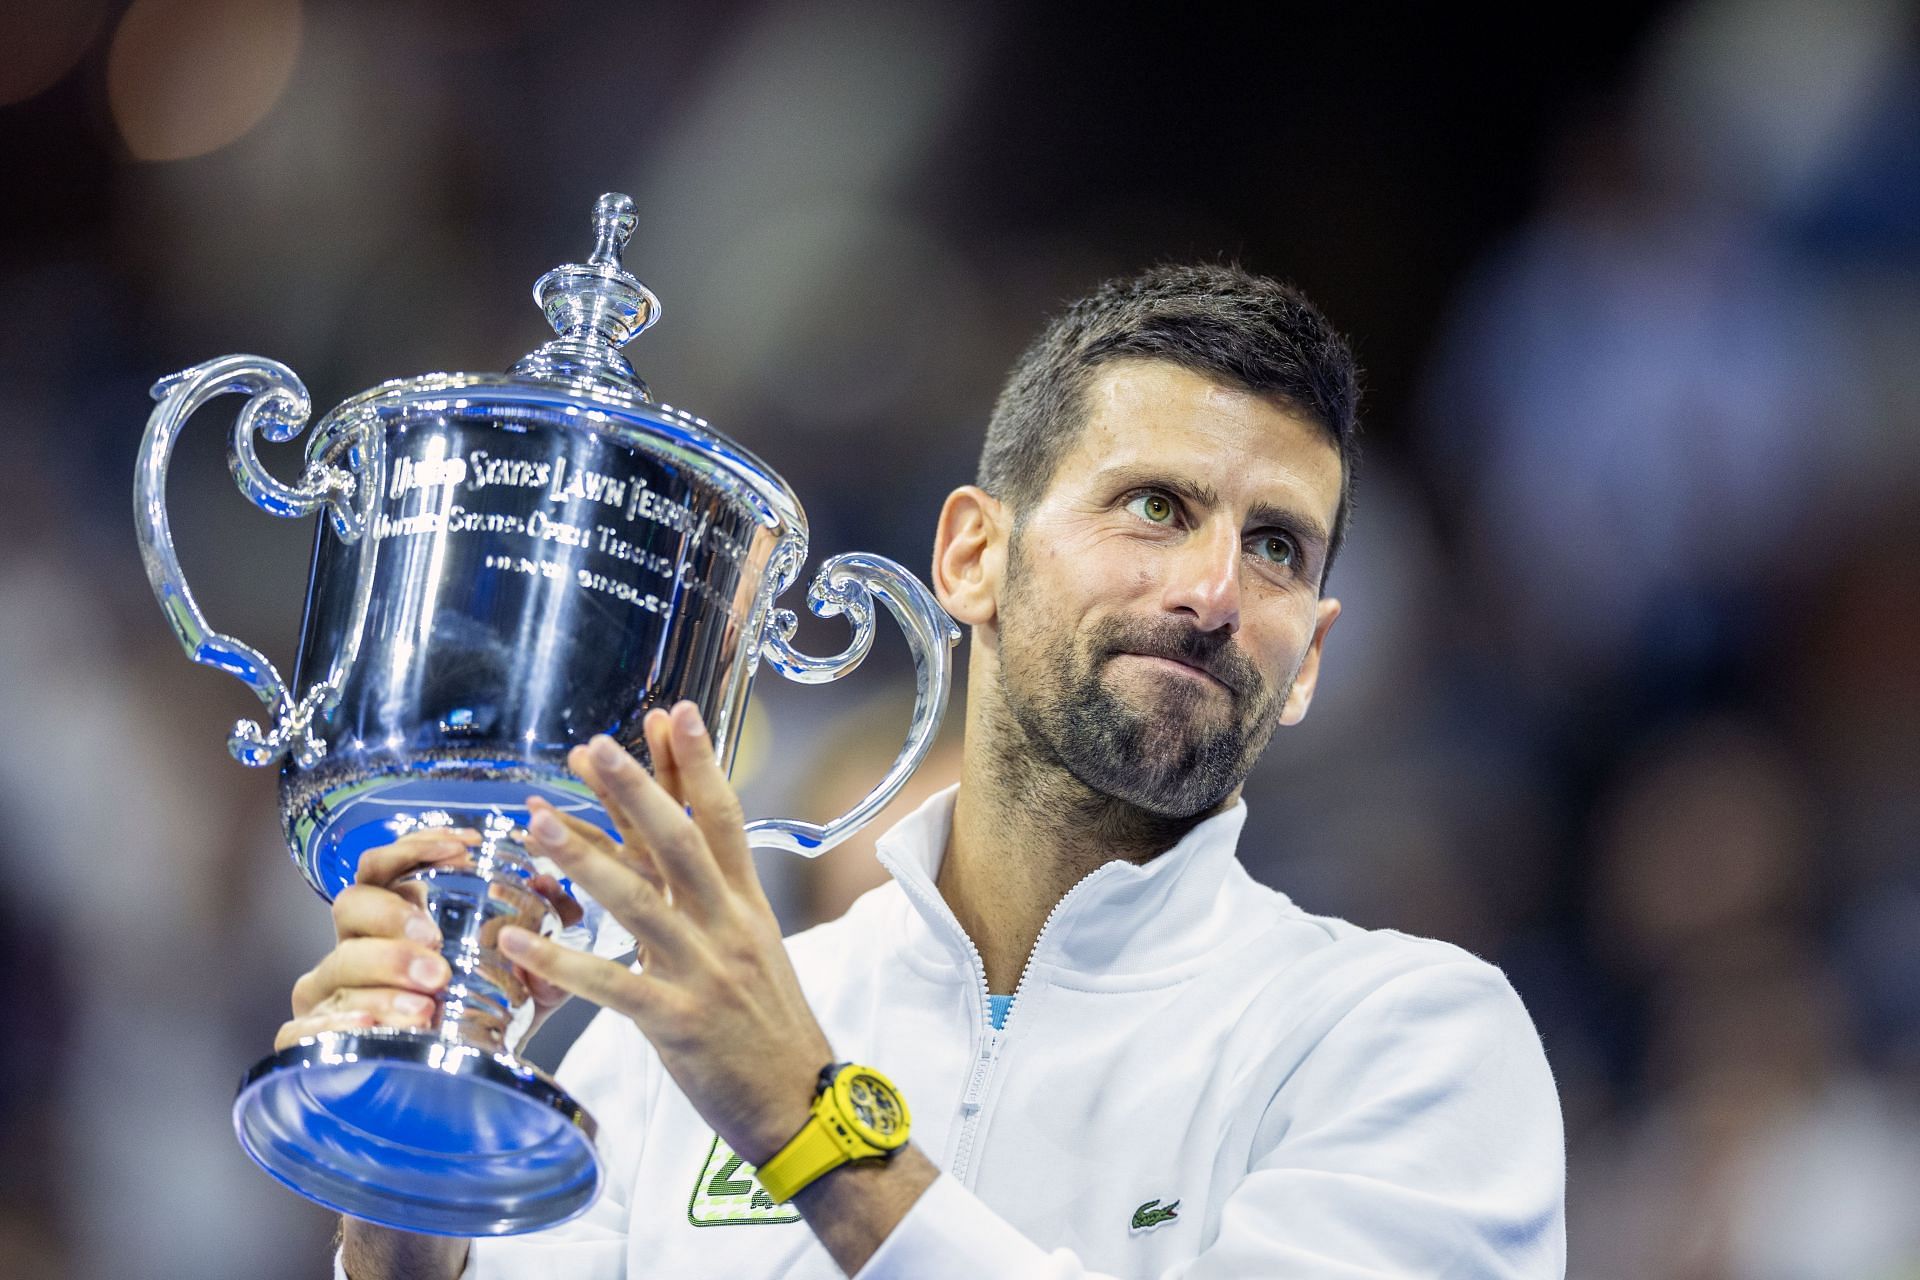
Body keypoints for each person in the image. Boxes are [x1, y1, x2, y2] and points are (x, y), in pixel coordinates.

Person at [288, 264, 1567, 1279]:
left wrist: (805, 1114)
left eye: (1279, 546)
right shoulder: (668, 1039)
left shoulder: (1406, 1040)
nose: (1216, 592)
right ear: (970, 557)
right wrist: (405, 1204)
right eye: (1157, 508)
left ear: (1309, 661)